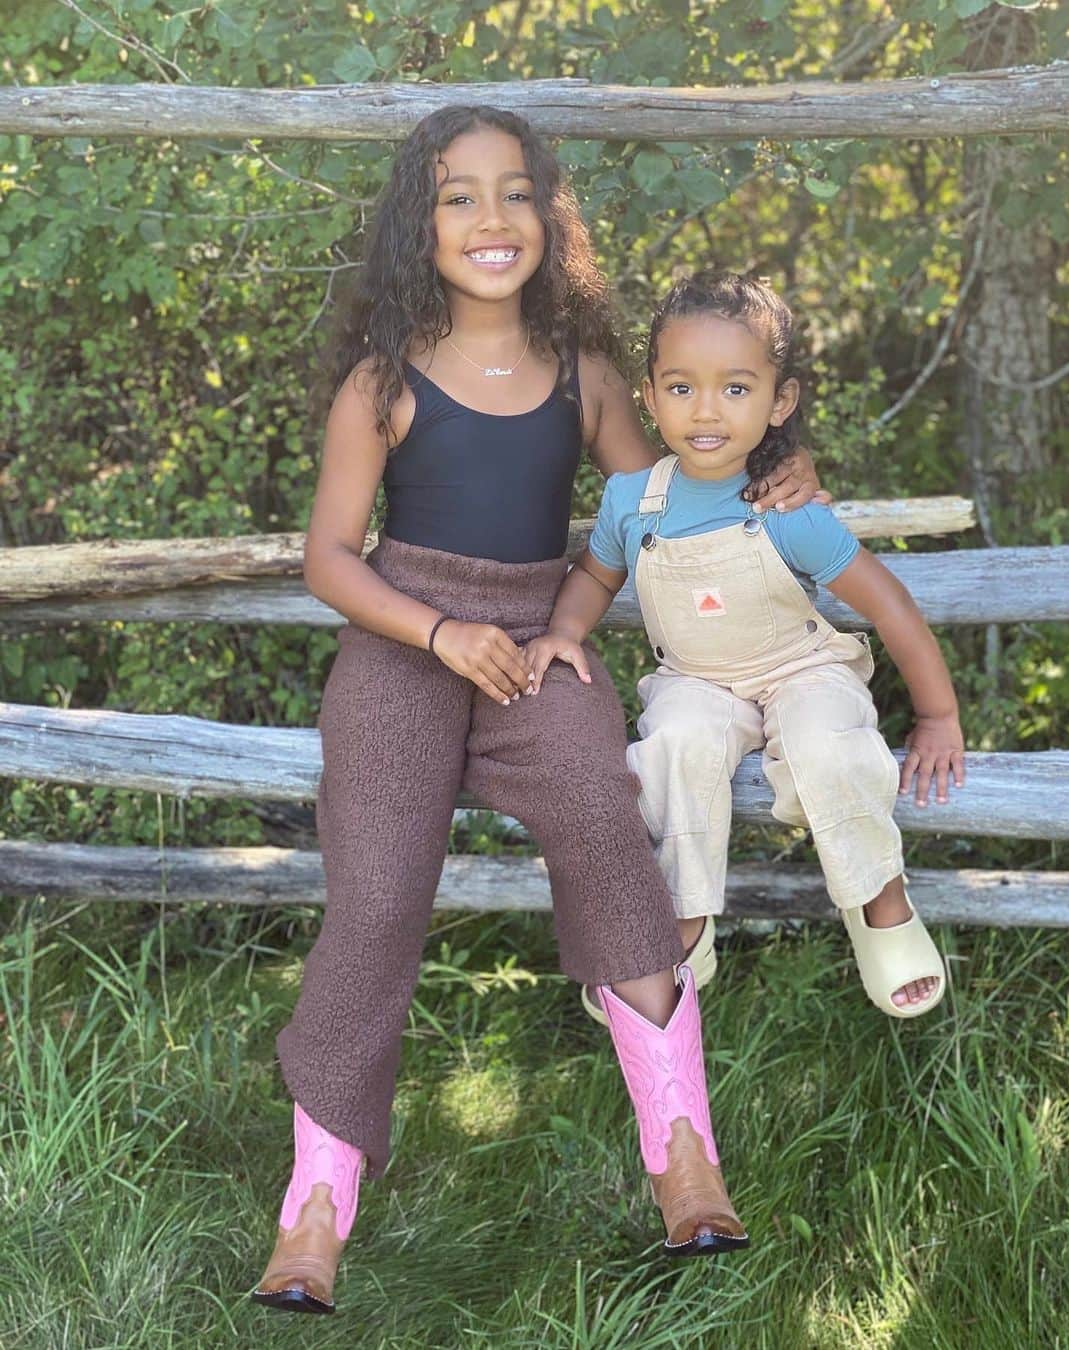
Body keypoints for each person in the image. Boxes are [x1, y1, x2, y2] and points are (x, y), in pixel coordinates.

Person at [253, 114, 825, 1314]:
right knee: (375, 897)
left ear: (548, 221)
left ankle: (682, 1149)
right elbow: (326, 557)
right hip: (405, 644)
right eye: (460, 199)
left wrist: (776, 475)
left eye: (516, 196)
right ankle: (318, 1202)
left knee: (604, 822)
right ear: (422, 223)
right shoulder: (383, 379)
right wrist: (438, 631)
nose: (491, 221)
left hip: (537, 641)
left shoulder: (585, 376)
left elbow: (661, 495)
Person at [526, 271, 964, 1031]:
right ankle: (681, 927)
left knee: (830, 745)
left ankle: (877, 899)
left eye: (735, 389)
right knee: (672, 744)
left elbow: (889, 605)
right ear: (650, 396)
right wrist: (566, 630)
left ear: (778, 401)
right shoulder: (635, 499)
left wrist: (938, 713)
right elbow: (597, 575)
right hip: (697, 680)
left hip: (802, 670)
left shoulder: (785, 506)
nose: (706, 410)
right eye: (682, 387)